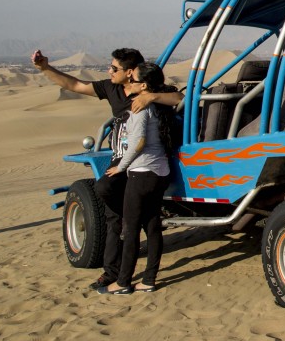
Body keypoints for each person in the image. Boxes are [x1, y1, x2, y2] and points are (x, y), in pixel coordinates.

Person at [31, 47, 180, 289]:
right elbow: (75, 85)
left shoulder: (147, 94)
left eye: (114, 68)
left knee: (120, 211)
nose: (109, 71)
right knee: (115, 214)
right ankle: (112, 272)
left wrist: (150, 97)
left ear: (131, 72)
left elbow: (178, 99)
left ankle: (122, 279)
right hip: (123, 161)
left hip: (135, 164)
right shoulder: (110, 88)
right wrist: (45, 68)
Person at [98, 62, 178, 295]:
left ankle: (122, 283)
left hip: (141, 173)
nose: (128, 83)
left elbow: (139, 142)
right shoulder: (159, 105)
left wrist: (121, 167)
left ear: (143, 85)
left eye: (132, 80)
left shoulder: (141, 107)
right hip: (160, 172)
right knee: (152, 226)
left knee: (131, 228)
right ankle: (149, 280)